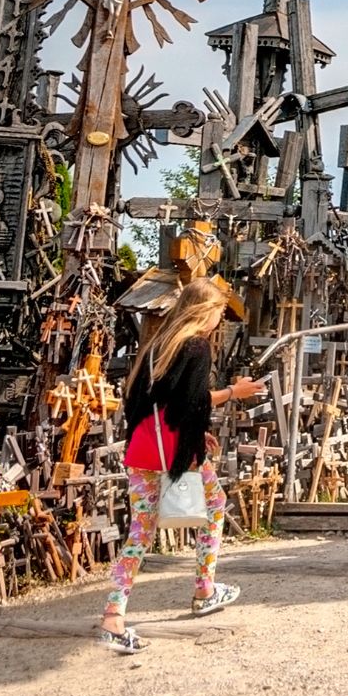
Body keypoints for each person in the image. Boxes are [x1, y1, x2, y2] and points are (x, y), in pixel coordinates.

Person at [98, 279, 264, 653]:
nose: (220, 319)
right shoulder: (196, 346)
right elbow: (193, 402)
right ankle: (204, 589)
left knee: (140, 533)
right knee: (216, 506)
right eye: (219, 311)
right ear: (206, 311)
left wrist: (195, 430)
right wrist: (234, 392)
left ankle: (113, 615)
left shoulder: (157, 345)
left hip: (144, 449)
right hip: (176, 454)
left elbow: (153, 403)